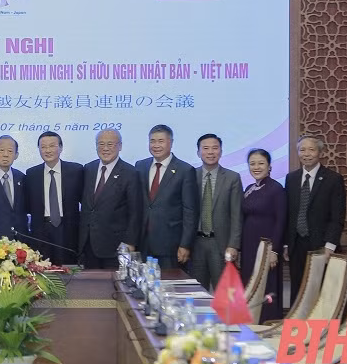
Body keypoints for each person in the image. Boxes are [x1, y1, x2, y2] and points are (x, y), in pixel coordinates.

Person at [285, 136, 346, 305]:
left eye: (311, 149)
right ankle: (297, 328)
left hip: (321, 246)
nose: (306, 154)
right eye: (302, 150)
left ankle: (320, 331)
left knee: (320, 294)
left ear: (320, 152)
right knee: (297, 293)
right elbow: (289, 214)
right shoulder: (291, 179)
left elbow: (337, 216)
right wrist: (286, 244)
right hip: (296, 245)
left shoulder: (333, 179)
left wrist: (329, 246)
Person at [135, 124, 198, 269]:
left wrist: (185, 244)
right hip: (143, 243)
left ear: (171, 142)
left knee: (168, 287)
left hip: (170, 245)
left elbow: (190, 211)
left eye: (161, 141)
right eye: (152, 141)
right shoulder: (140, 166)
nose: (156, 145)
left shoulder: (185, 170)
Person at [79, 129, 141, 269]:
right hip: (88, 244)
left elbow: (135, 211)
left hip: (115, 246)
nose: (105, 148)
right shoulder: (89, 168)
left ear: (120, 146)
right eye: (101, 144)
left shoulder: (130, 173)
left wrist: (130, 242)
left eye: (110, 144)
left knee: (114, 287)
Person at [192, 134, 243, 291]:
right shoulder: (190, 175)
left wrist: (233, 245)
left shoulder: (232, 178)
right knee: (197, 292)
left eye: (215, 148)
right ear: (198, 152)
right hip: (195, 244)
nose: (210, 152)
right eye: (205, 148)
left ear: (221, 152)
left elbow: (237, 214)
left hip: (220, 244)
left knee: (223, 293)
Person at [25, 131, 83, 265]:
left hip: (68, 230)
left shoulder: (76, 171)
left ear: (61, 148)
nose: (47, 150)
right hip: (41, 231)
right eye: (43, 147)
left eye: (52, 146)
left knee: (68, 271)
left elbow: (84, 200)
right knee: (42, 271)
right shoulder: (31, 174)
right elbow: (28, 205)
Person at [241, 149, 285, 323]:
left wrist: (274, 250)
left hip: (266, 246)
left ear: (269, 166)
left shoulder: (276, 189)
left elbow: (281, 221)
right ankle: (251, 322)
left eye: (261, 163)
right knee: (250, 283)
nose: (256, 167)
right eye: (252, 163)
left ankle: (267, 323)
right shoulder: (249, 188)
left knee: (267, 285)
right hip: (248, 245)